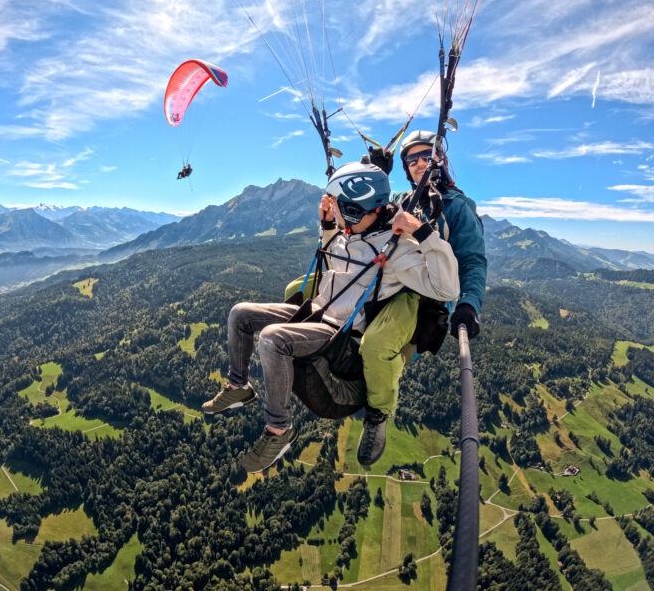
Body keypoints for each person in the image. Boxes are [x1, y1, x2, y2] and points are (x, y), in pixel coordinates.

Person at [201, 162, 460, 473]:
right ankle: (238, 387)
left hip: (341, 334)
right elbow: (336, 261)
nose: (331, 209)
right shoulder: (348, 232)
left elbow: (446, 288)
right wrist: (326, 227)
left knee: (272, 339)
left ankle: (279, 431)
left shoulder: (398, 248)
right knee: (239, 313)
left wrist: (423, 233)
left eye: (336, 205)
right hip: (318, 312)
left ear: (353, 208)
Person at [356, 130, 487, 465]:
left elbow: (471, 260)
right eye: (410, 159)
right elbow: (371, 214)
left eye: (424, 156)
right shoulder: (403, 199)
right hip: (387, 278)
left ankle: (378, 416)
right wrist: (374, 174)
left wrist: (469, 304)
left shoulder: (457, 209)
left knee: (376, 346)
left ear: (439, 159)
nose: (417, 163)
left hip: (422, 296)